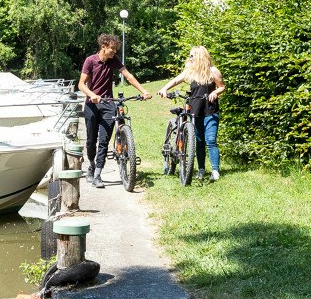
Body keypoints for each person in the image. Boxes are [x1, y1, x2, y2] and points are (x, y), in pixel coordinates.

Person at [78, 32, 151, 188]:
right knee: (91, 141)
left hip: (108, 104)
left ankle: (97, 174)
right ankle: (91, 165)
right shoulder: (90, 61)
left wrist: (143, 90)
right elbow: (81, 84)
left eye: (116, 49)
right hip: (92, 104)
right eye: (112, 48)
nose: (114, 52)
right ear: (103, 47)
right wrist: (92, 94)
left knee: (104, 141)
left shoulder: (114, 60)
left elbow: (128, 76)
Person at [158, 46, 226, 182]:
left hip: (210, 110)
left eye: (192, 56)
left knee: (211, 140)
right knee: (199, 141)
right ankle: (201, 169)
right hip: (195, 111)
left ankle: (215, 171)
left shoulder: (213, 71)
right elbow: (175, 80)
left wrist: (215, 92)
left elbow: (222, 87)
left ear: (200, 57)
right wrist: (164, 88)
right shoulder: (190, 72)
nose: (189, 58)